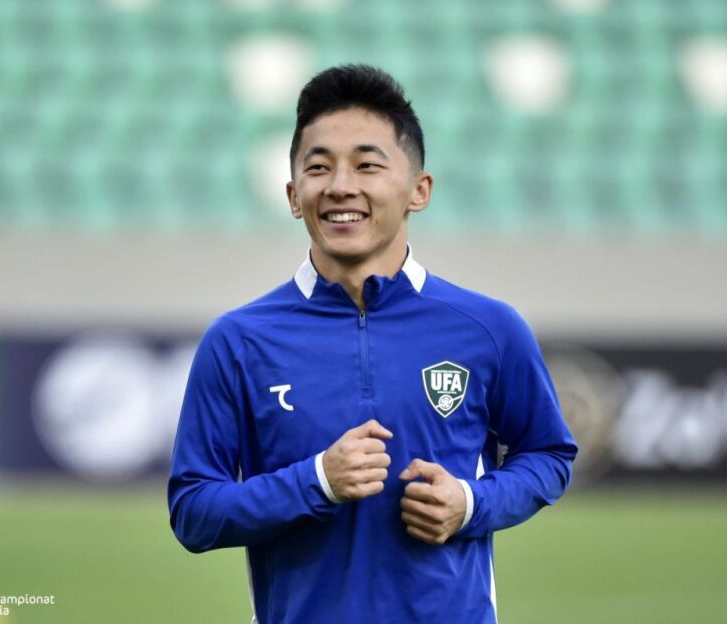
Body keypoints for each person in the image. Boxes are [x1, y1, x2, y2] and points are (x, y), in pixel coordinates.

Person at [168, 64, 578, 624]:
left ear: (418, 190)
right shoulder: (238, 341)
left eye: (367, 165)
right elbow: (193, 512)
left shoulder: (489, 328)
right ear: (293, 195)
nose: (340, 186)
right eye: (319, 167)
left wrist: (470, 503)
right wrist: (315, 481)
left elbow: (549, 455)